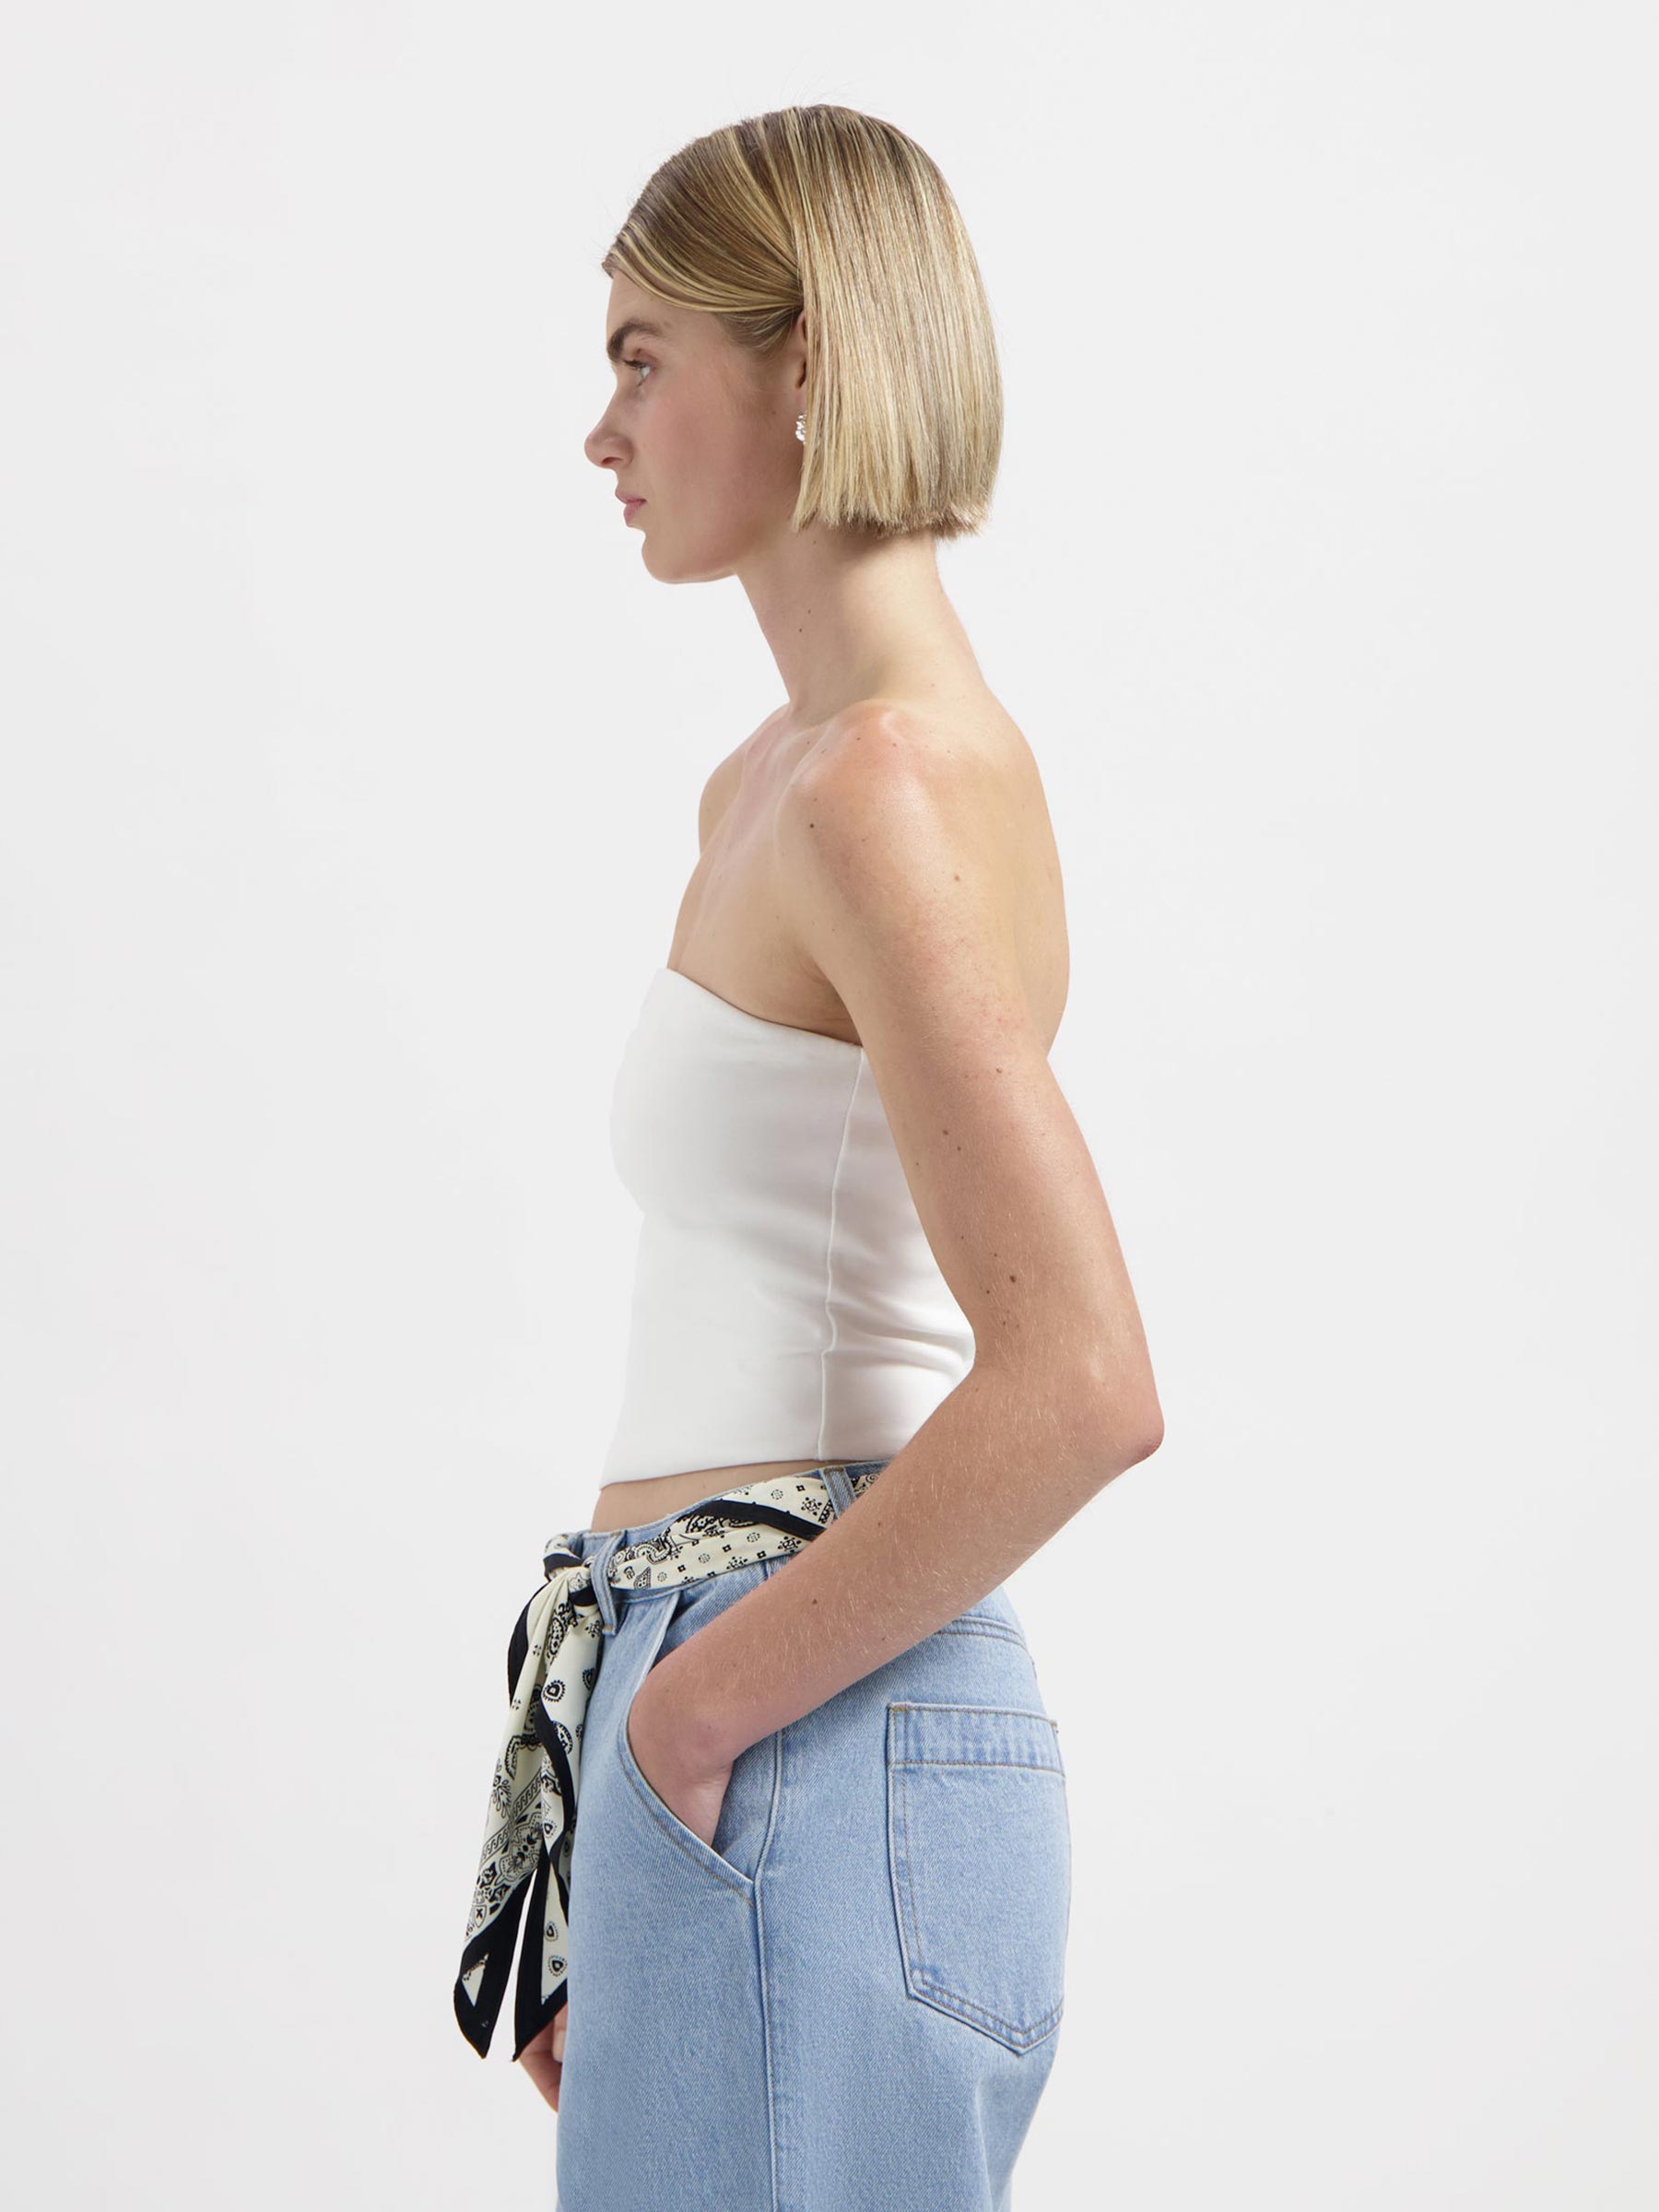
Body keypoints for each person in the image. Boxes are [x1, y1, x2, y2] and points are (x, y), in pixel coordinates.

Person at [460, 102, 1163, 2211]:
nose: (602, 430)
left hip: (797, 1714)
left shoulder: (881, 793)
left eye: (642, 357)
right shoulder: (778, 784)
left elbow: (1083, 1382)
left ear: (812, 365)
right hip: (764, 1705)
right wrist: (630, 1740)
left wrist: (688, 1728)